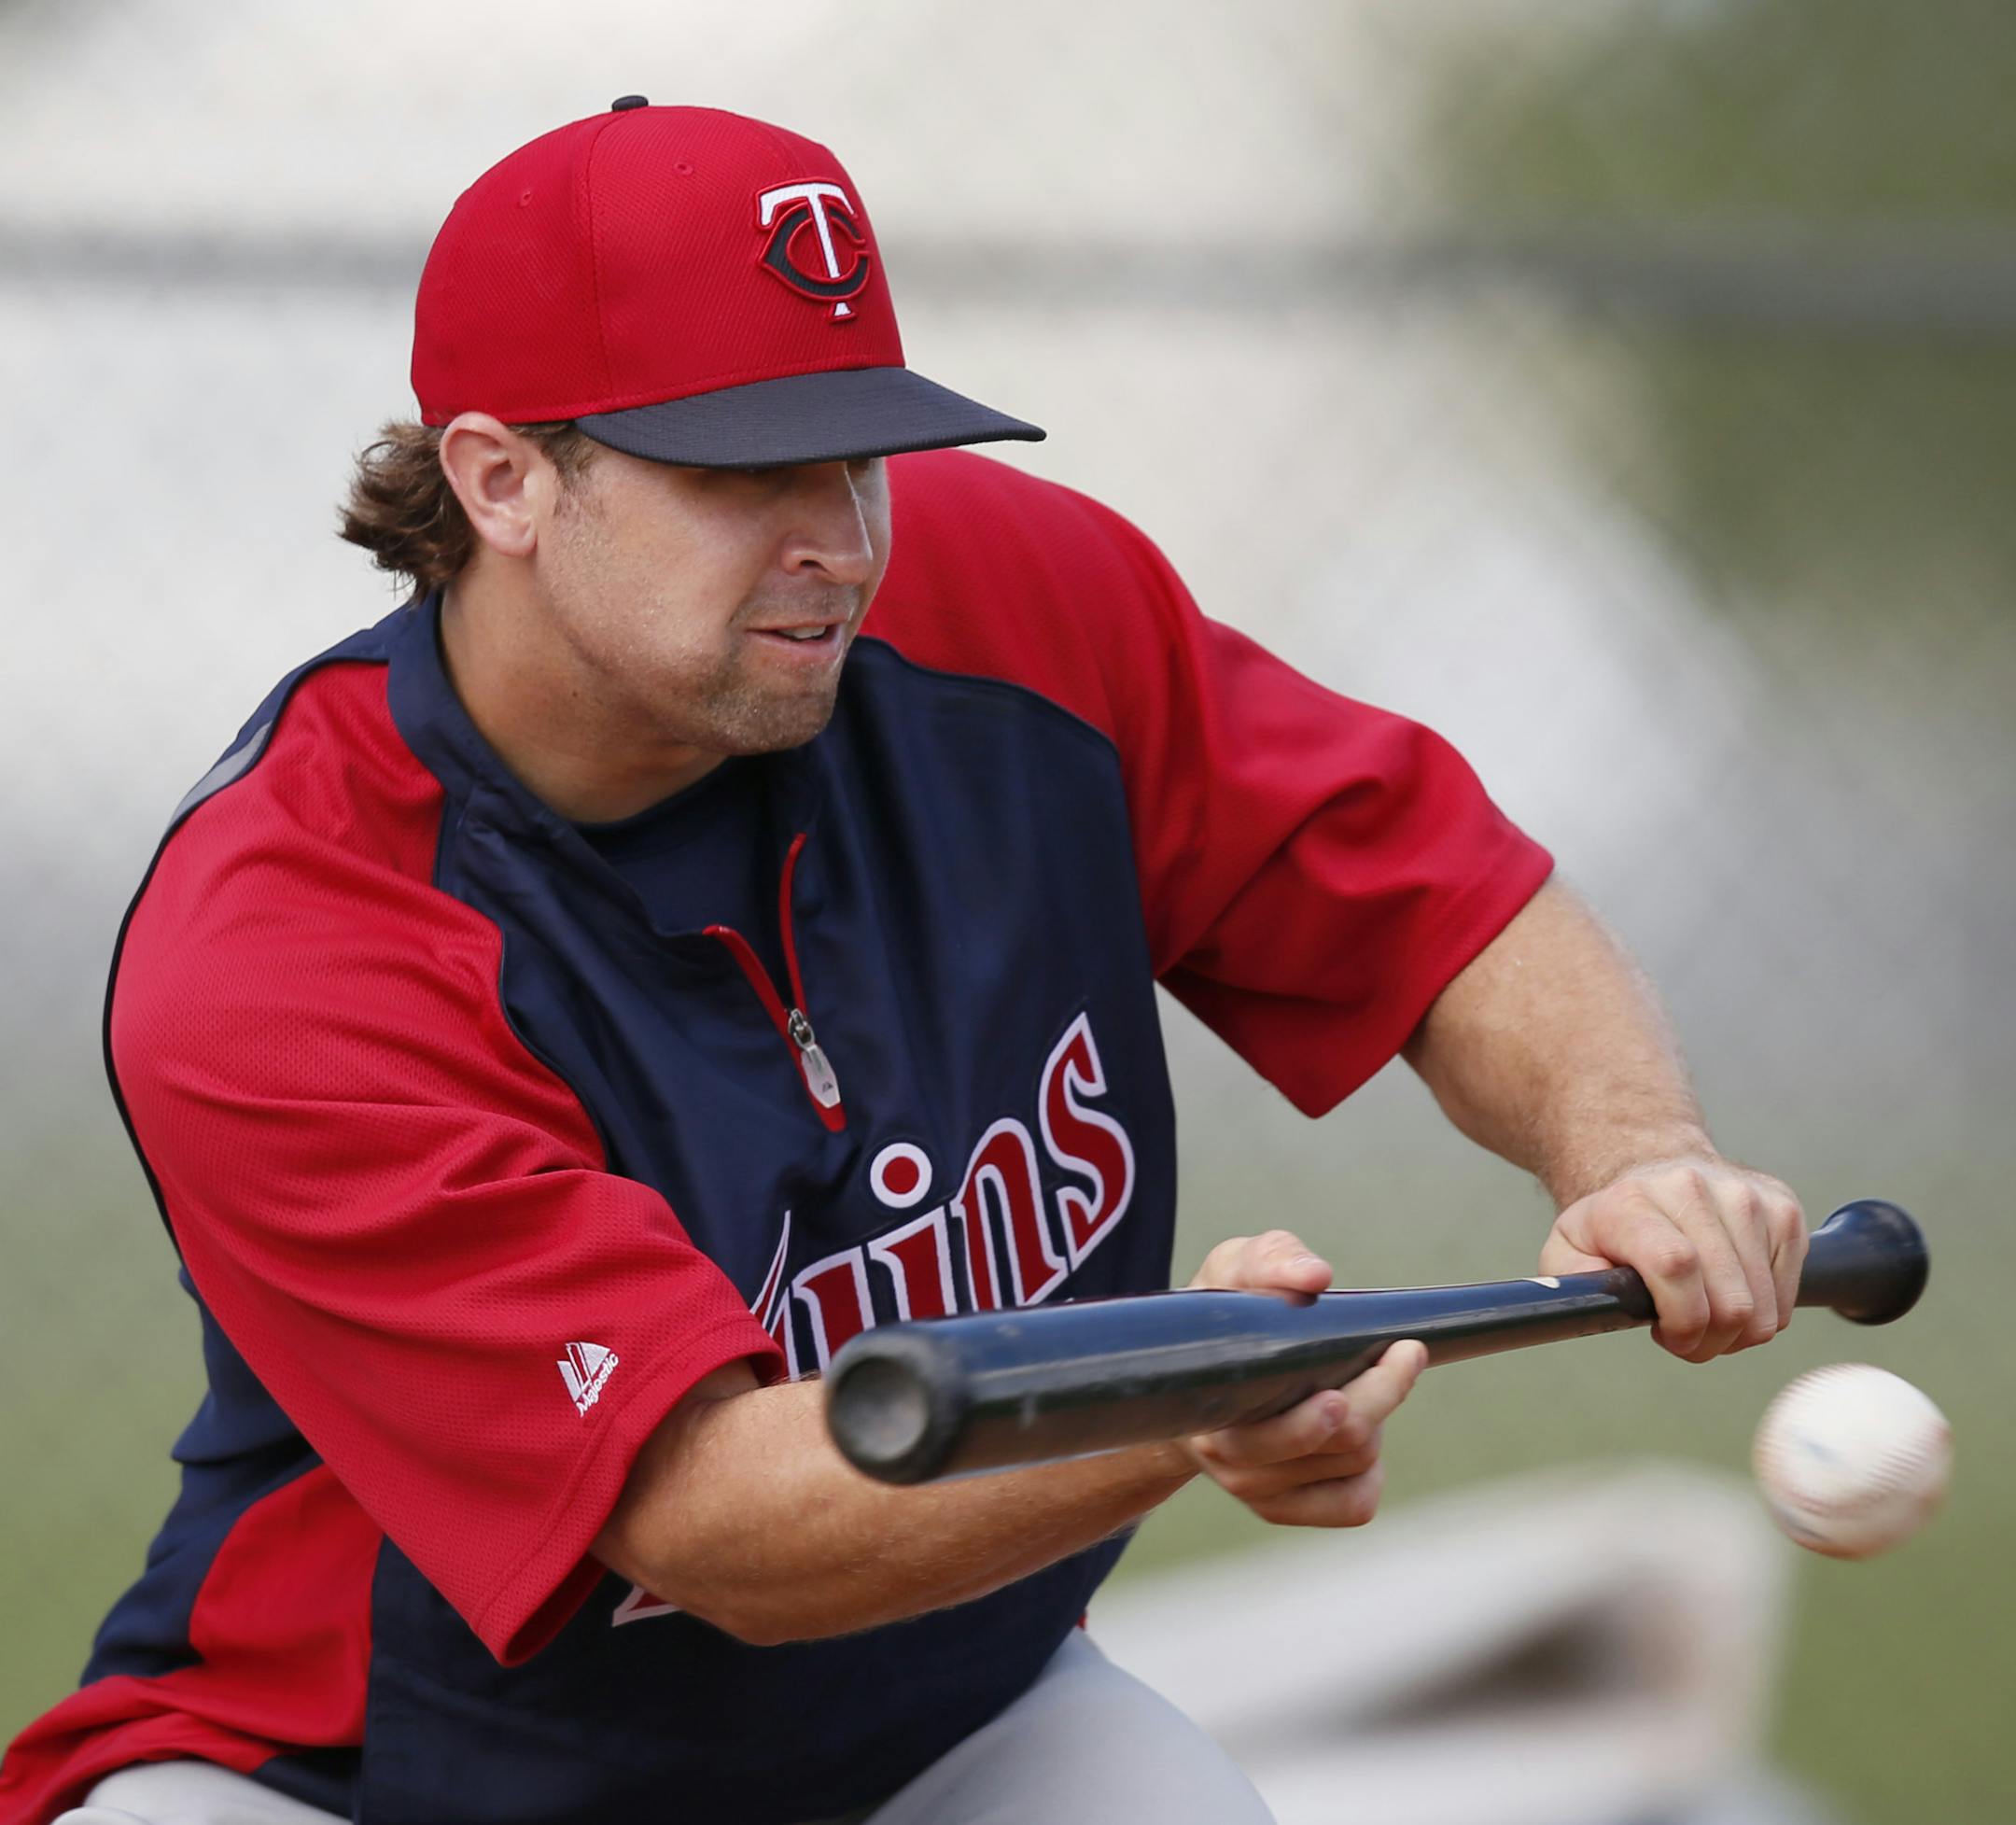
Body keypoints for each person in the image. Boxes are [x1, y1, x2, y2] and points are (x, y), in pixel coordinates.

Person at [0, 102, 1808, 1825]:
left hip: (943, 1731)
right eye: (740, 469)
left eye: (859, 448)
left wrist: (1634, 1149)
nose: (840, 540)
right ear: (502, 480)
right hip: (370, 1781)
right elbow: (718, 1529)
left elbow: (1435, 900)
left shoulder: (1012, 611)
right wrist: (1190, 1401)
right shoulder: (292, 947)